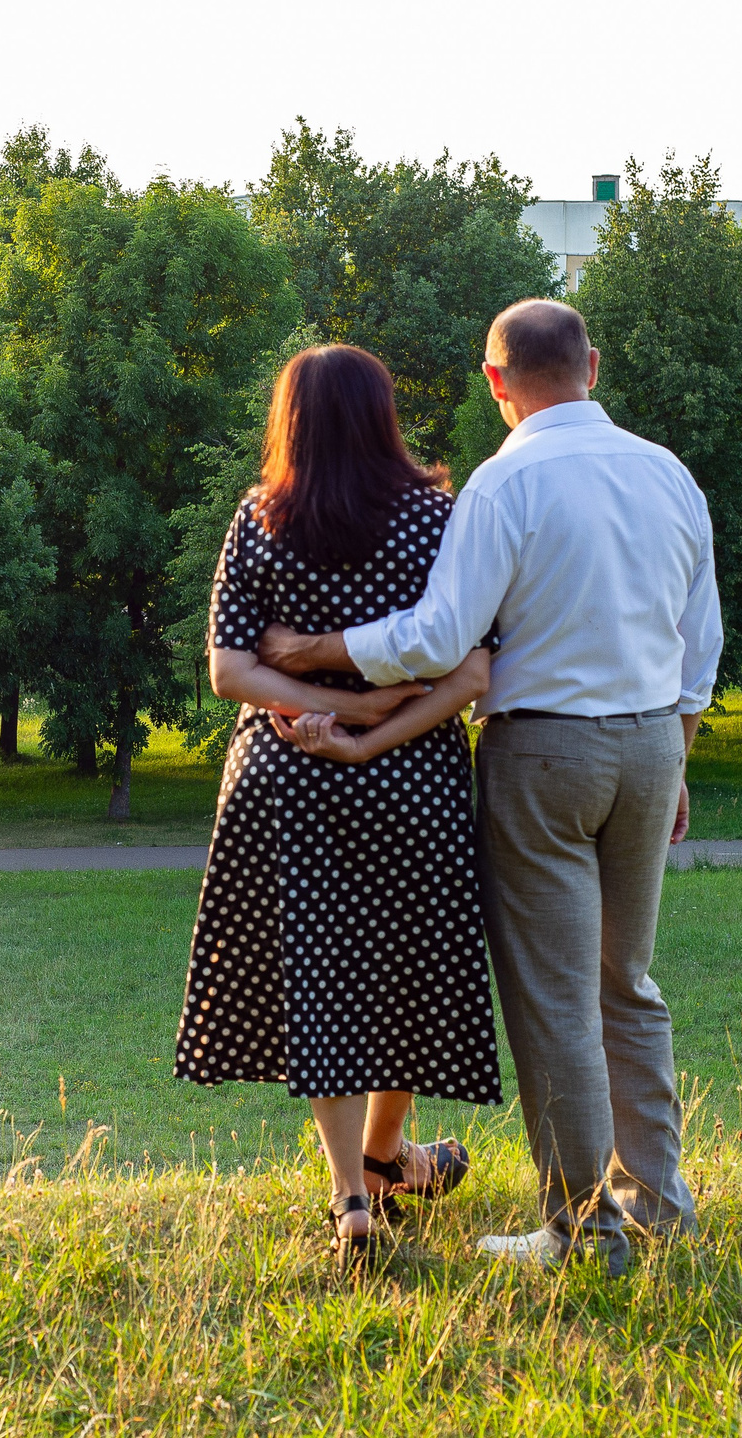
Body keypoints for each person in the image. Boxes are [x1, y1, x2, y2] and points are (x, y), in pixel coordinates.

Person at [259, 299, 719, 1274]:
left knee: (556, 1003)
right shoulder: (668, 473)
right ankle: (659, 1205)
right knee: (627, 984)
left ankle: (581, 1233)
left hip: (544, 753)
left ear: (495, 380)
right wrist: (675, 756)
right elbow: (700, 646)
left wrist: (314, 647)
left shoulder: (503, 482)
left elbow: (437, 636)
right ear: (592, 365)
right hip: (649, 745)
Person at [176, 343, 507, 1267]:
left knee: (322, 974)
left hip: (287, 775)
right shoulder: (437, 517)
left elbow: (228, 669)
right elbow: (471, 665)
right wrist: (371, 715)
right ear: (382, 414)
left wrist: (324, 701)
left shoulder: (259, 516)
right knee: (405, 968)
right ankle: (385, 1153)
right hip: (411, 776)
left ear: (288, 421)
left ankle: (355, 1194)